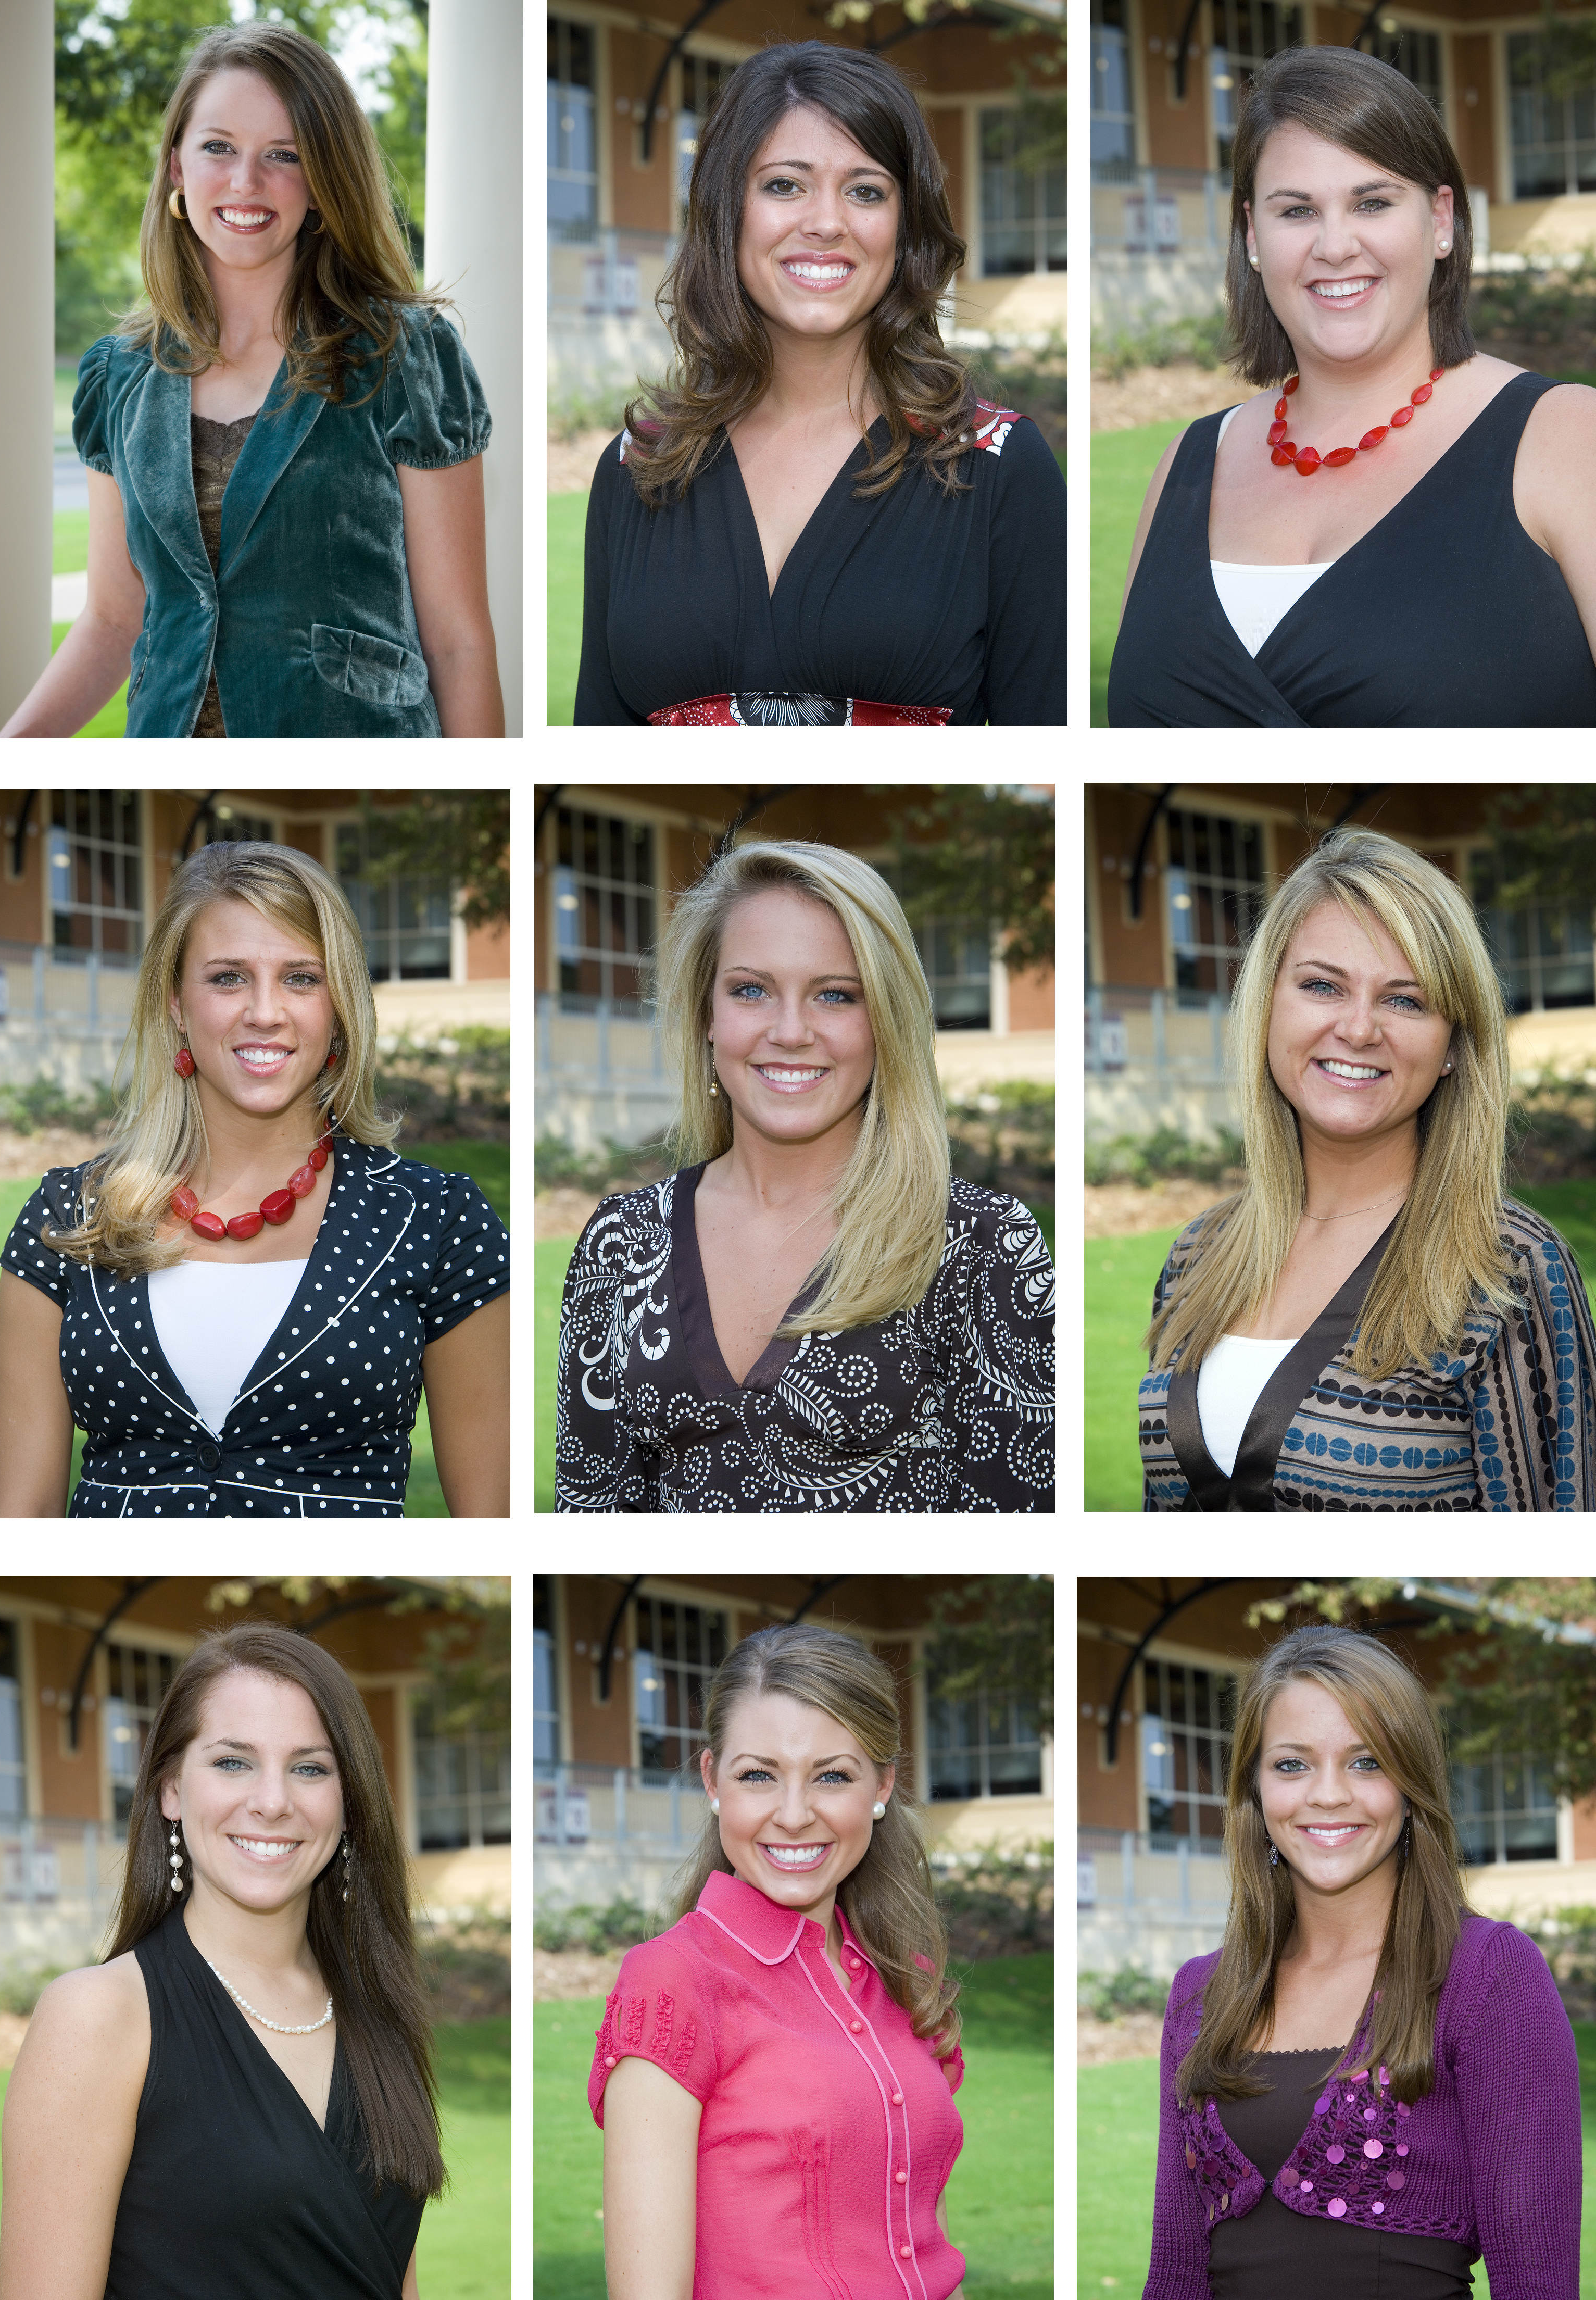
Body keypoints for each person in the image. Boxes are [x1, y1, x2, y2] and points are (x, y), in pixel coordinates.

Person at [0, 22, 501, 740]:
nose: (245, 182)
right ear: (176, 166)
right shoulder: (118, 377)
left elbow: (458, 641)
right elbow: (113, 617)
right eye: (218, 148)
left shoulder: (406, 357)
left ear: (324, 180)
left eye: (283, 156)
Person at [0, 839, 509, 1517]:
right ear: (177, 1002)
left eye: (301, 977)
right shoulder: (65, 1219)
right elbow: (16, 1526)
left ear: (339, 1006)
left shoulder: (439, 1221)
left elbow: (495, 1529)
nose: (265, 1011)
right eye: (228, 977)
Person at [574, 41, 1066, 726]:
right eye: (784, 185)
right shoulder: (637, 470)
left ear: (905, 226)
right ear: (728, 209)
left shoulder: (999, 469)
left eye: (866, 190)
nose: (827, 223)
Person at [556, 840, 1054, 1510]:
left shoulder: (980, 1244)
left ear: (885, 1020)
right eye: (751, 990)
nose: (790, 1031)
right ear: (708, 1014)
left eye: (836, 996)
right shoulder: (619, 1242)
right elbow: (590, 1514)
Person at [1109, 45, 1596, 727]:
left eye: (1371, 202)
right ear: (1253, 234)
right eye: (1297, 211)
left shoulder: (1568, 439)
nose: (1335, 246)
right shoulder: (1187, 466)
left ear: (1440, 221)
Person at [1139, 827, 1596, 1509]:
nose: (1358, 1029)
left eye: (1405, 1000)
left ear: (1451, 1045)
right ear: (1268, 1007)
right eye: (1323, 986)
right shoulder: (1197, 1256)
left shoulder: (1508, 1267)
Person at [0, 1621, 443, 2300]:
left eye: (310, 1768)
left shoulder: (378, 2009)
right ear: (171, 1789)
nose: (271, 1801)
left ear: (350, 1803)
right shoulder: (99, 2016)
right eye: (233, 1762)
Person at [1142, 1622, 1581, 2299]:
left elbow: (1538, 2284)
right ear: (1255, 1789)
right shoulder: (1202, 1994)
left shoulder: (1487, 1975)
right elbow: (1174, 2278)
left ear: (1411, 1785)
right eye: (1292, 1764)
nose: (1327, 1795)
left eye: (1366, 1761)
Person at [594, 1621, 967, 2300]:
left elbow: (925, 2244)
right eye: (759, 1775)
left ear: (882, 1787)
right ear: (713, 1780)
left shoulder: (905, 1978)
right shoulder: (674, 1981)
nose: (794, 1815)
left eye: (831, 1775)